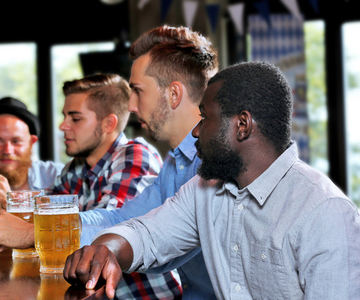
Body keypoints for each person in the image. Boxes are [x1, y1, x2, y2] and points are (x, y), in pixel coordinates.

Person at [63, 61, 360, 299]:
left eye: (204, 118)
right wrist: (107, 250)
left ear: (241, 125)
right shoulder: (204, 189)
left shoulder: (326, 212)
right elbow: (147, 235)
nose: (195, 132)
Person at [0, 25, 219, 299]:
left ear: (174, 94)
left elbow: (154, 240)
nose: (131, 106)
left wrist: (37, 233)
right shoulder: (176, 163)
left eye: (137, 90)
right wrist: (42, 228)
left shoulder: (213, 165)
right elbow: (121, 218)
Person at [0, 74, 182, 299]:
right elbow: (41, 216)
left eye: (75, 118)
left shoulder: (135, 156)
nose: (63, 126)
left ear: (108, 124)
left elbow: (113, 232)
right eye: (64, 117)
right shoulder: (74, 169)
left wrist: (34, 233)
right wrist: (6, 203)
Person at [0, 97, 64, 239]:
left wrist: (8, 203)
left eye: (16, 141)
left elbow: (68, 230)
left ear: (31, 142)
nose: (7, 150)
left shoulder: (59, 176)